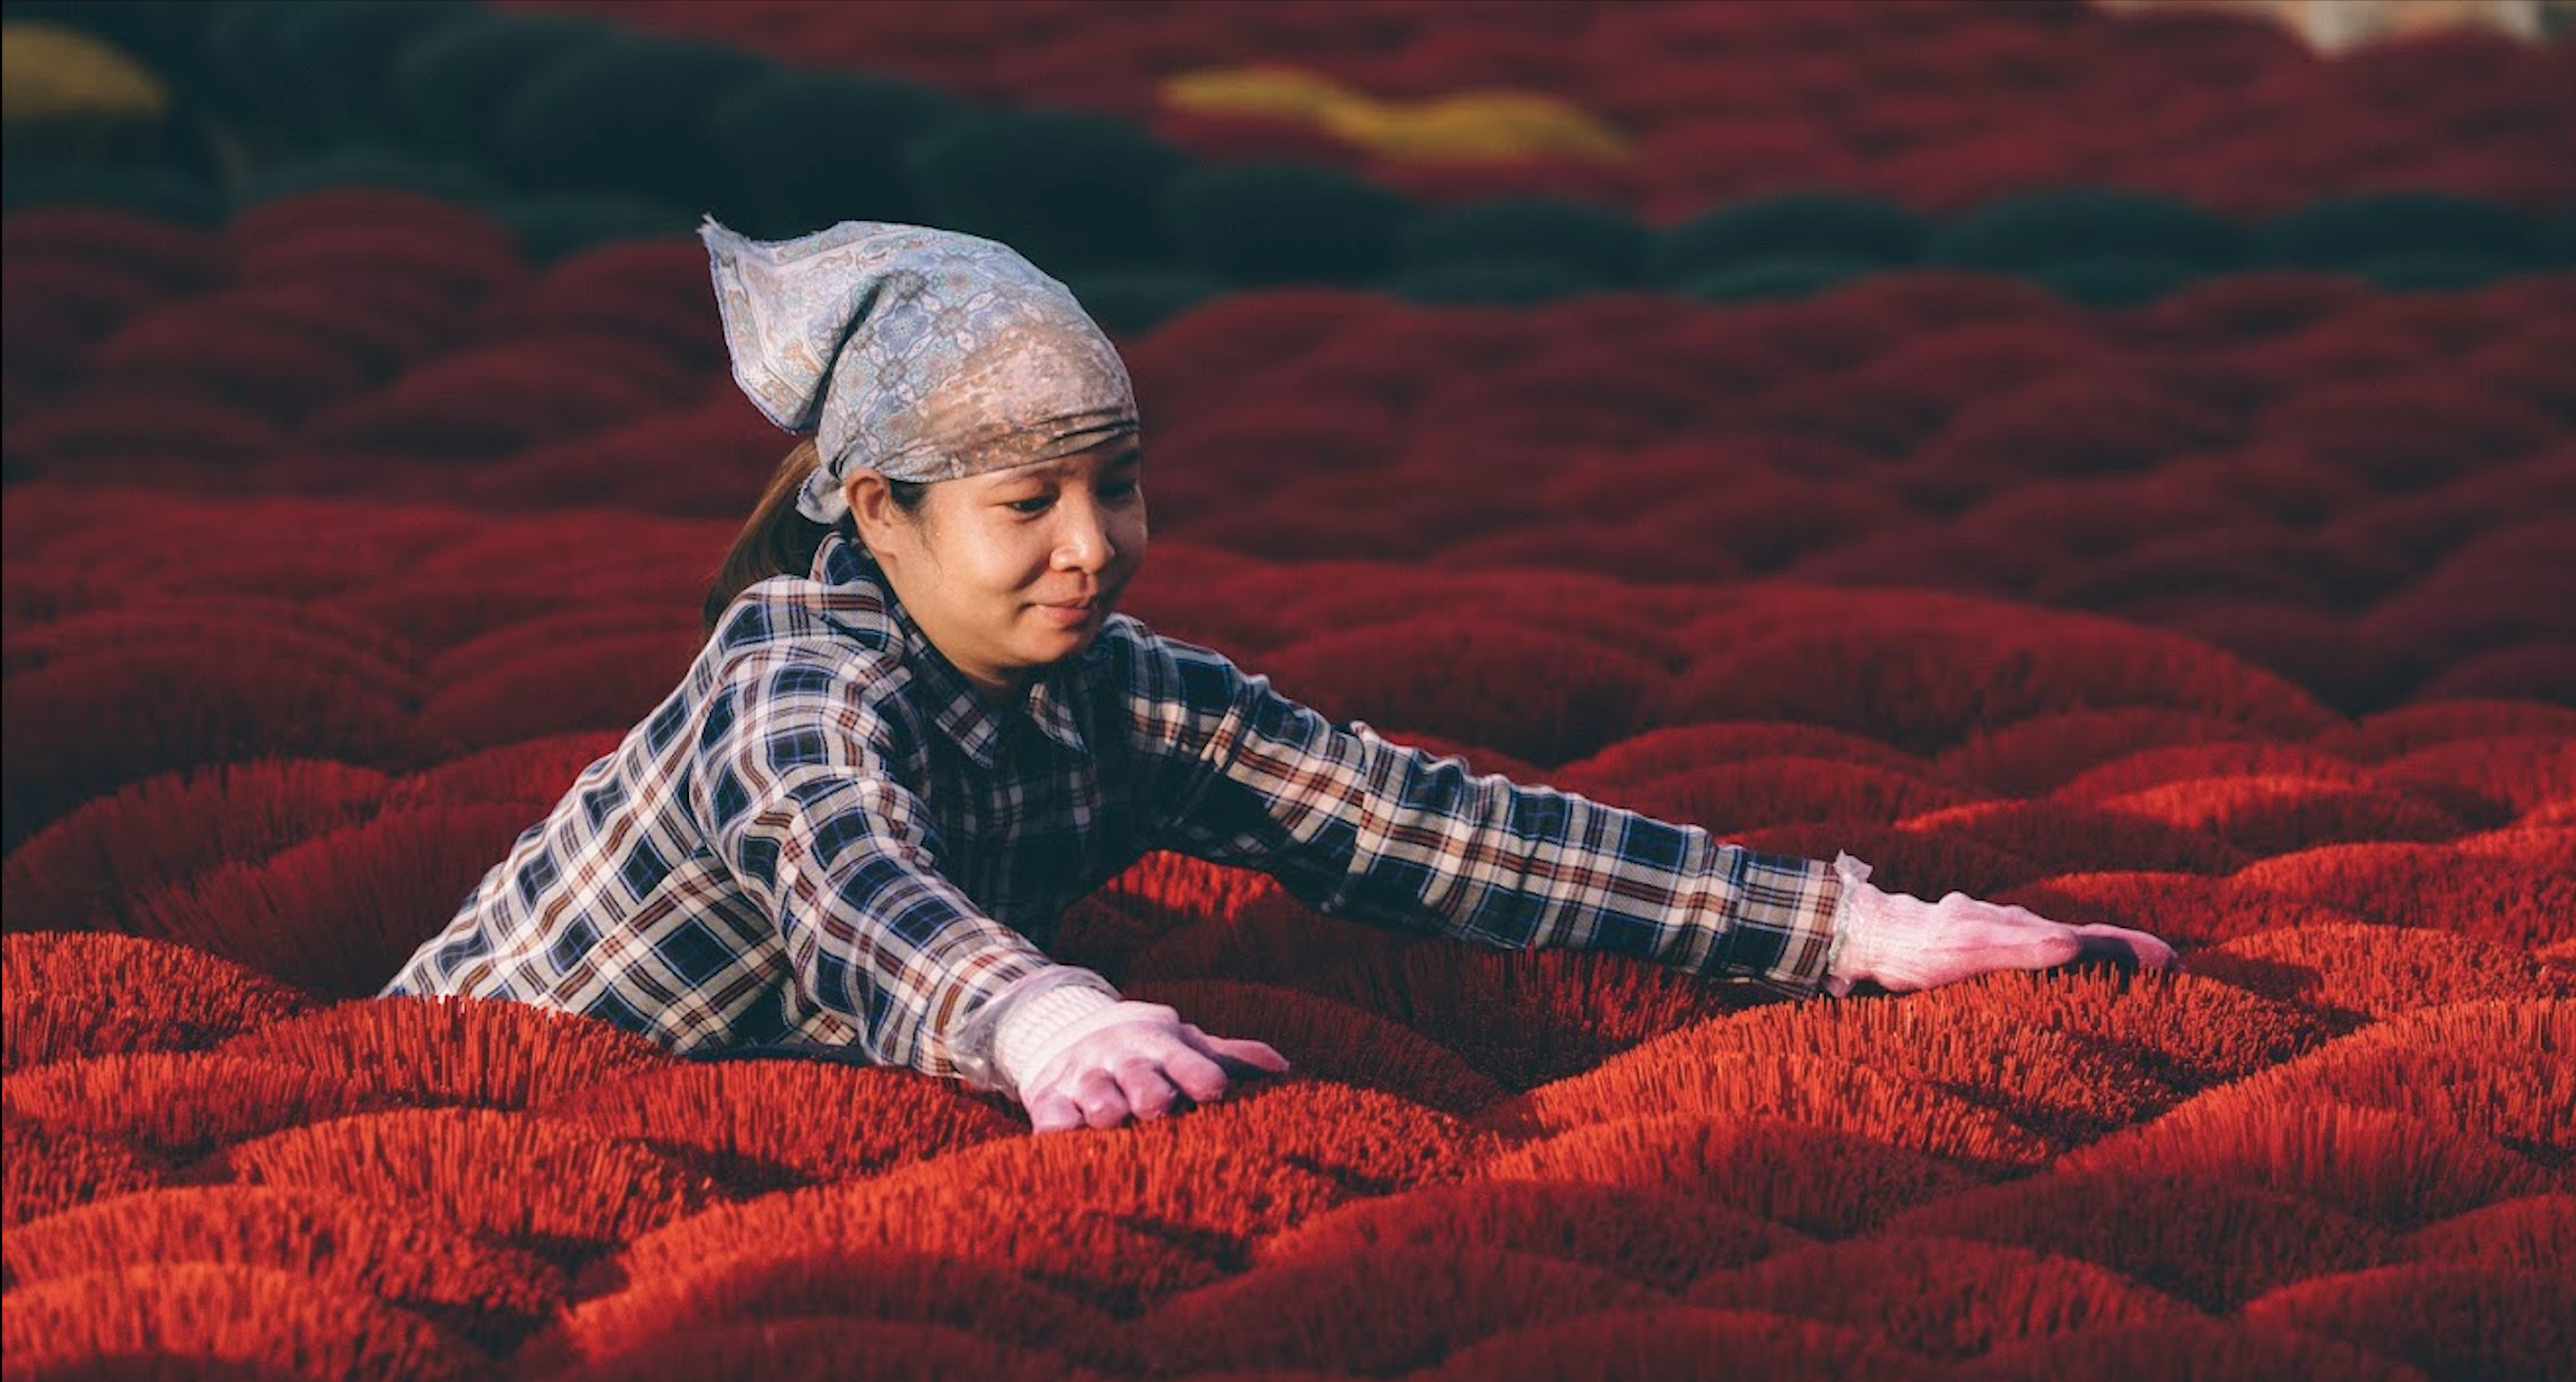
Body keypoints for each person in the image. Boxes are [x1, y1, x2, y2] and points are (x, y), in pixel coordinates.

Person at [384, 217, 2175, 1133]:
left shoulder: (1122, 692)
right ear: (880, 511)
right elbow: (850, 874)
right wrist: (1044, 1018)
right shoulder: (792, 673)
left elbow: (1429, 830)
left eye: (1119, 485)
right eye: (1028, 503)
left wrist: (1857, 932)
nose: (1092, 546)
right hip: (445, 1100)